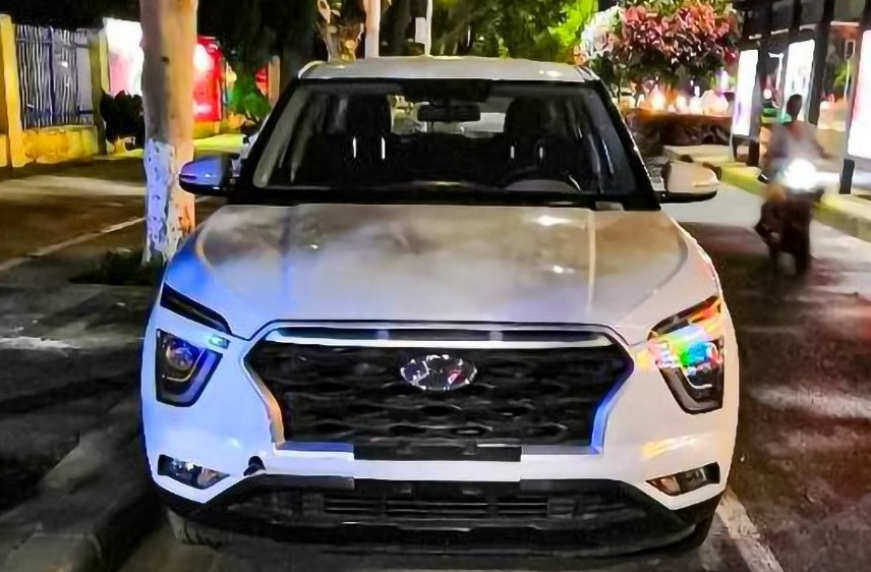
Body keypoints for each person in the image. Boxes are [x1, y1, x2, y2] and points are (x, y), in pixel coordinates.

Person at [755, 94, 827, 257]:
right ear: (789, 108)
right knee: (775, 196)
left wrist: (821, 152)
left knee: (817, 192)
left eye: (797, 105)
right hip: (783, 171)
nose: (795, 108)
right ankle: (771, 224)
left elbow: (816, 146)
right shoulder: (780, 130)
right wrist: (768, 160)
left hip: (801, 171)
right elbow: (771, 151)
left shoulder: (807, 128)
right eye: (793, 106)